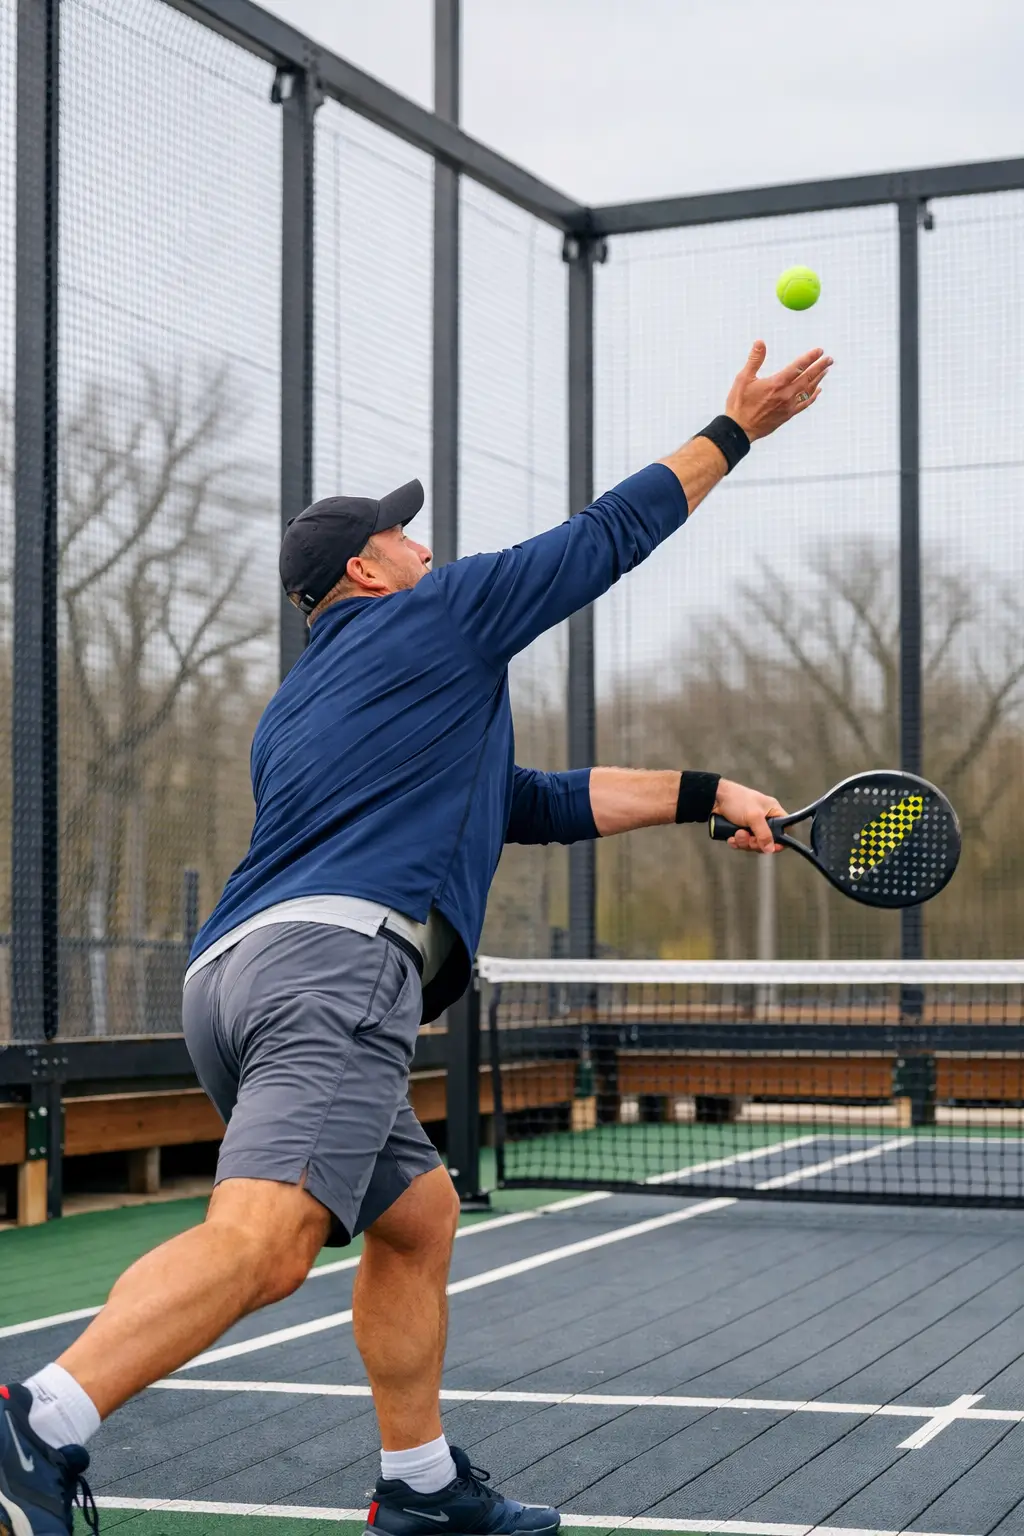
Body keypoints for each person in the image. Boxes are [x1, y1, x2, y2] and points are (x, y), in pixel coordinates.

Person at [1, 339, 831, 1536]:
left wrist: (709, 792)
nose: (423, 541)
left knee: (418, 1215)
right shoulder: (439, 615)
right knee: (270, 1238)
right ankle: (41, 1421)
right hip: (335, 971)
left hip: (232, 981)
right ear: (367, 571)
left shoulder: (312, 707)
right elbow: (602, 537)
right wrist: (736, 427)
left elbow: (528, 803)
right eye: (402, 532)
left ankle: (423, 1485)